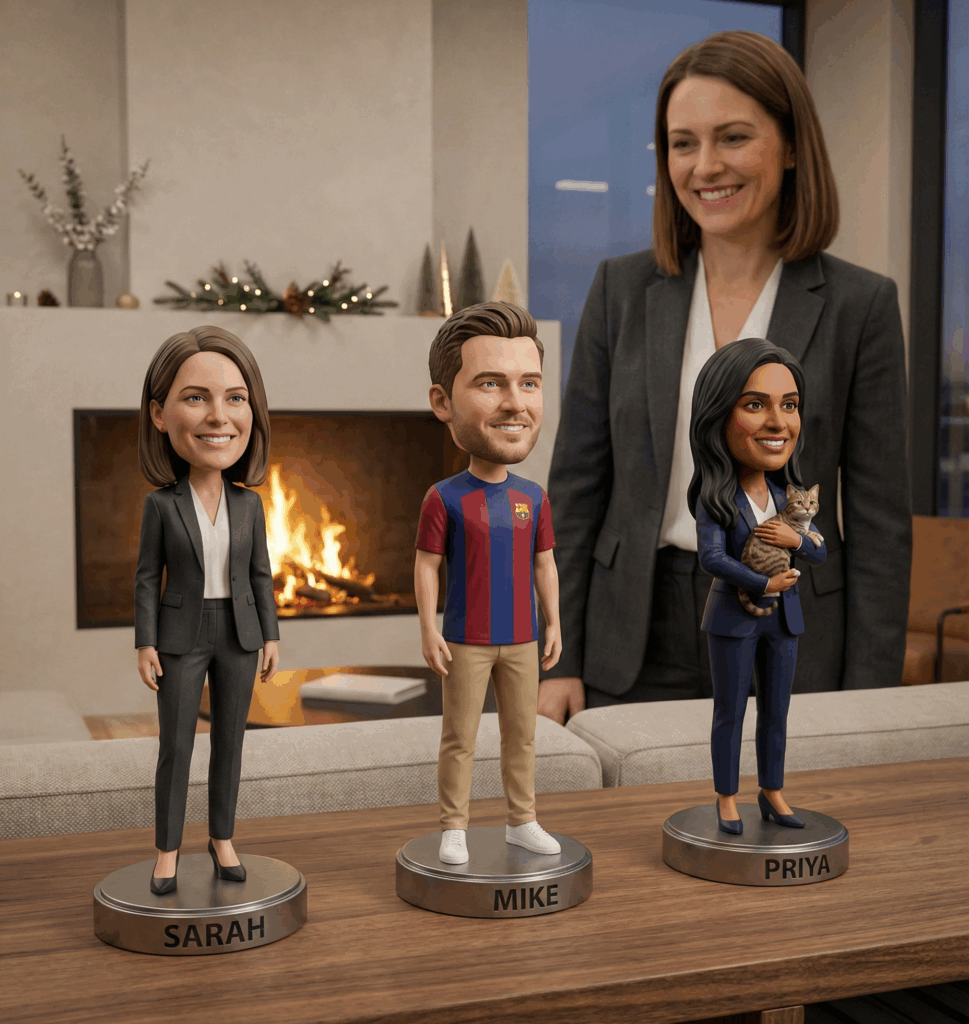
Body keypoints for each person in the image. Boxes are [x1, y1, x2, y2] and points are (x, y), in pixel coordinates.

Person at [540, 30, 910, 721]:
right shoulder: (620, 291)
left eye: (732, 137)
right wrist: (559, 660)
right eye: (682, 143)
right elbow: (577, 489)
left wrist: (869, 699)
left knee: (774, 823)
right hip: (633, 639)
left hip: (792, 631)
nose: (704, 166)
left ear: (792, 146)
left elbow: (879, 523)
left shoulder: (861, 305)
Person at [415, 302, 563, 866]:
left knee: (522, 736)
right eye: (491, 383)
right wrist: (429, 628)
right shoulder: (444, 497)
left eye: (529, 383)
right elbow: (427, 565)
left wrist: (554, 621)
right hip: (467, 640)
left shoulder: (534, 497)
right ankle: (454, 826)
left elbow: (544, 563)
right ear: (442, 402)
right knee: (460, 737)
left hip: (523, 639)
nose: (516, 402)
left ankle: (522, 820)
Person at [135, 325, 279, 893]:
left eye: (235, 398)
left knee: (230, 742)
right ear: (159, 415)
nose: (219, 416)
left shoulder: (251, 505)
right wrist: (145, 642)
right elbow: (148, 576)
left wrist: (271, 634)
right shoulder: (161, 506)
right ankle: (167, 850)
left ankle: (222, 839)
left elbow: (262, 574)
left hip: (240, 634)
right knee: (175, 745)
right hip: (180, 636)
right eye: (196, 397)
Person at [688, 338, 824, 833]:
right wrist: (763, 581)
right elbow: (711, 557)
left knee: (777, 712)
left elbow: (819, 550)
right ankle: (727, 797)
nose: (778, 421)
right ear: (717, 416)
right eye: (754, 404)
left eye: (789, 405)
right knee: (730, 713)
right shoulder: (715, 498)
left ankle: (773, 791)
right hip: (733, 617)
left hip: (784, 619)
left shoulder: (789, 495)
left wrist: (797, 540)